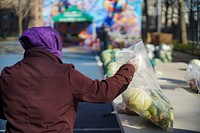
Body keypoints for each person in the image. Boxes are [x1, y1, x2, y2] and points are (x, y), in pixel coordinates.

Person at [0, 26, 138, 133]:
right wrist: (128, 68)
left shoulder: (8, 73)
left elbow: (3, 111)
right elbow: (103, 92)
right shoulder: (65, 73)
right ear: (53, 45)